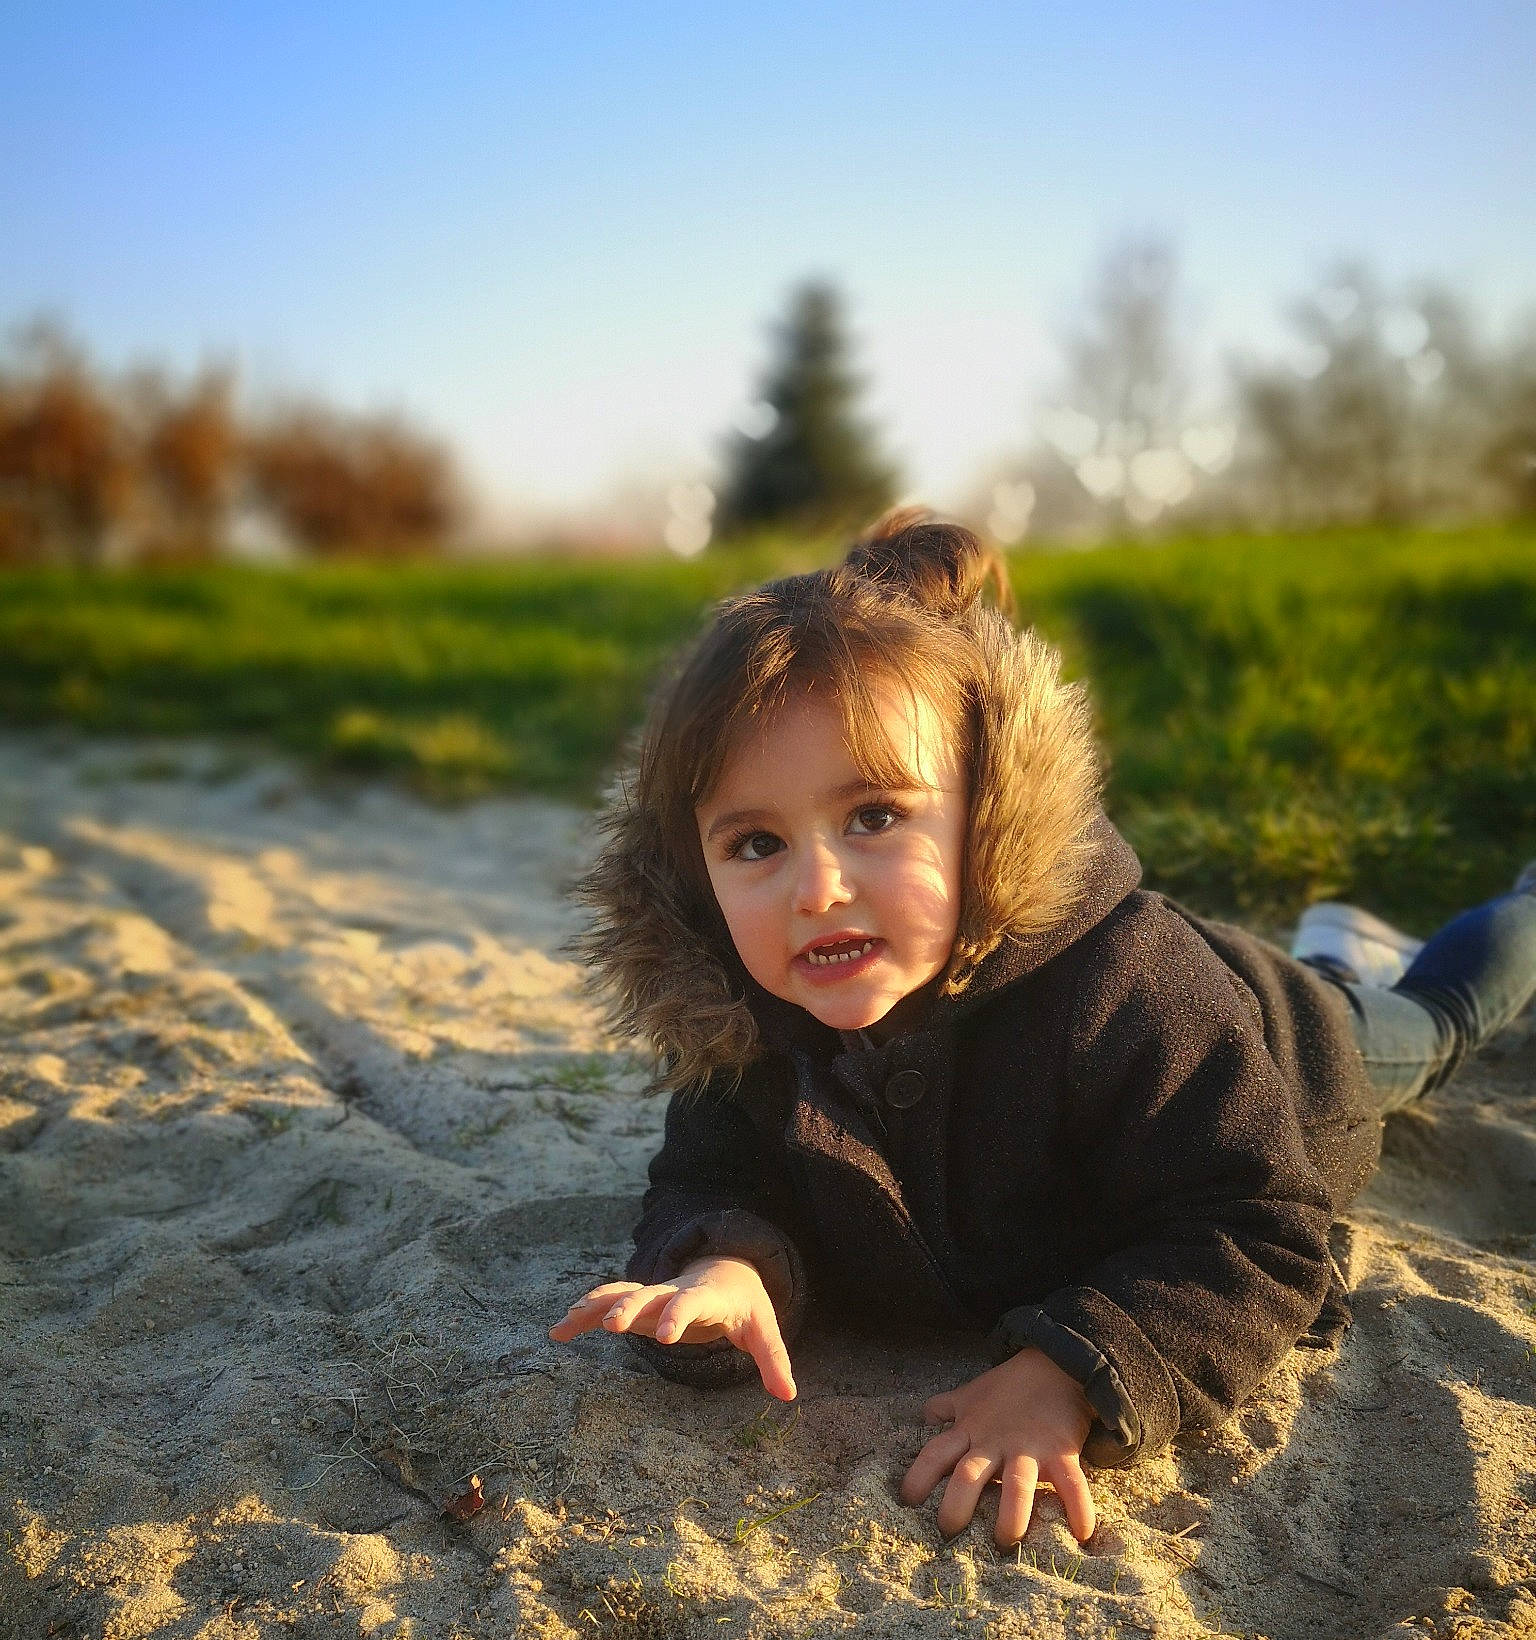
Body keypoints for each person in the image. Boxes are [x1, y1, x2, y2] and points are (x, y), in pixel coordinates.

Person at [549, 509, 1536, 1549]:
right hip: (1213, 998)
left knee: (1432, 1022)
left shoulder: (1126, 982)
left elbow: (1253, 1224)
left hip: (1287, 1044)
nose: (818, 887)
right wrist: (726, 1267)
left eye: (874, 816)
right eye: (755, 841)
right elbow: (712, 1177)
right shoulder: (744, 1021)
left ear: (984, 812)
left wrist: (1073, 1369)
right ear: (694, 873)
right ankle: (1339, 938)